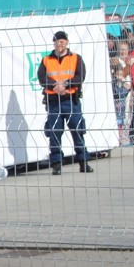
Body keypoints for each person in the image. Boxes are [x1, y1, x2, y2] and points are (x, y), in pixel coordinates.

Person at [38, 30, 92, 174]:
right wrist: (56, 87)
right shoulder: (46, 60)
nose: (59, 43)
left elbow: (80, 76)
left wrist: (65, 85)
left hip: (71, 100)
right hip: (54, 101)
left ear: (67, 42)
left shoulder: (76, 58)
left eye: (62, 41)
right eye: (56, 41)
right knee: (54, 132)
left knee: (77, 131)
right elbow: (42, 79)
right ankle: (56, 164)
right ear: (53, 43)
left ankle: (83, 162)